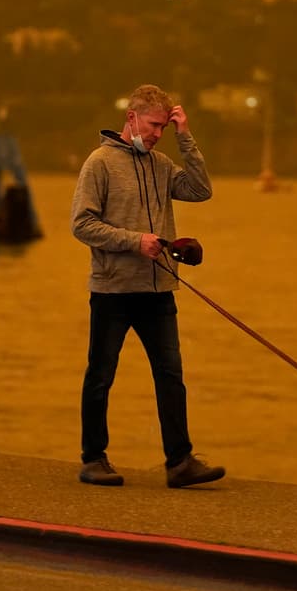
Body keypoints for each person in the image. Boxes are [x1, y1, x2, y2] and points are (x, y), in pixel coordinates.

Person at [71, 84, 226, 489]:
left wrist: (185, 137)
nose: (158, 133)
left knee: (171, 374)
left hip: (159, 289)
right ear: (132, 118)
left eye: (164, 127)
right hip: (112, 290)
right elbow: (81, 225)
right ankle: (93, 458)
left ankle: (179, 462)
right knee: (102, 374)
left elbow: (200, 190)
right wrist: (134, 241)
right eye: (154, 125)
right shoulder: (99, 164)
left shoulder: (160, 165)